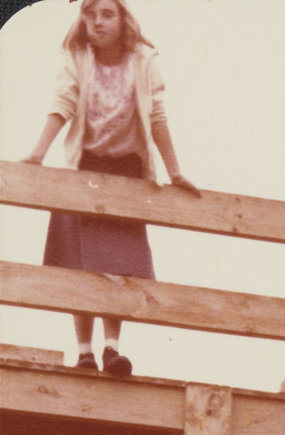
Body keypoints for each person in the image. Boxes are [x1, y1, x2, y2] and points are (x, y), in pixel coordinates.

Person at [23, 0, 199, 377]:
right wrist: (37, 154)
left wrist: (175, 170)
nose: (97, 22)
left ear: (122, 19)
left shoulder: (143, 61)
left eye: (107, 13)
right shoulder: (77, 58)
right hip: (84, 169)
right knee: (80, 264)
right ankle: (84, 351)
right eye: (90, 14)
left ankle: (112, 348)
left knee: (117, 263)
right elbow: (63, 104)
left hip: (125, 173)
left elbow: (156, 117)